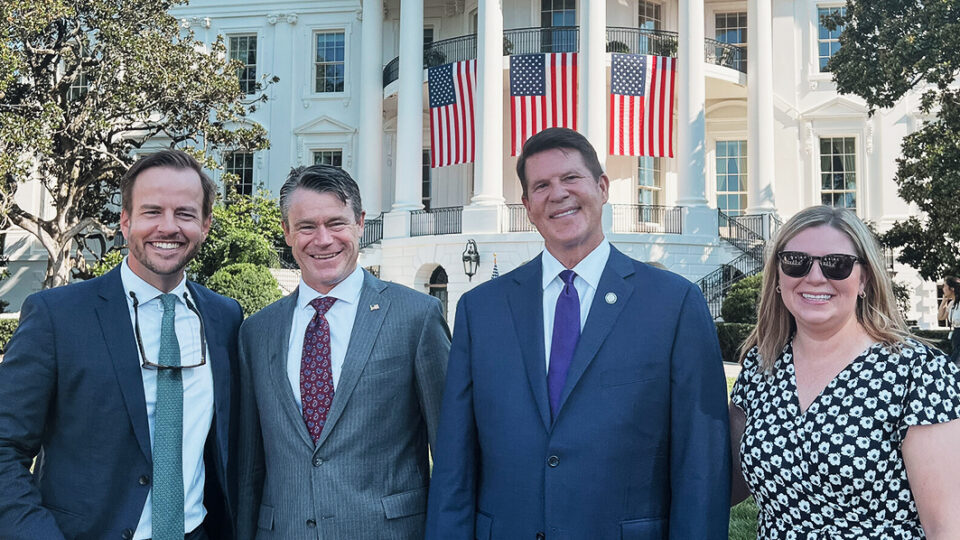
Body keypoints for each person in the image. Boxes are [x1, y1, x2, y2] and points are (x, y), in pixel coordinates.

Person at [426, 127, 731, 539]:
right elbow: (454, 465)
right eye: (541, 186)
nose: (558, 194)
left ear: (602, 188)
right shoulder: (481, 310)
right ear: (528, 206)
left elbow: (701, 466)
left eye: (571, 178)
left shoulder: (674, 304)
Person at [0, 150, 244, 540]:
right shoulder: (57, 317)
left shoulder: (225, 317)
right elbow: (4, 447)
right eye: (152, 212)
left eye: (184, 213)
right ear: (125, 222)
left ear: (206, 224)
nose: (169, 227)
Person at [236, 164, 450, 539]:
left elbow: (450, 451)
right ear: (286, 232)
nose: (322, 239)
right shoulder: (257, 332)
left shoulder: (416, 317)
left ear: (360, 224)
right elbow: (250, 466)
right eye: (306, 226)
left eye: (336, 223)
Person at [729, 205, 960, 538]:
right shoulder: (761, 366)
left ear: (864, 277)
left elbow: (947, 527)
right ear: (778, 276)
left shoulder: (918, 374)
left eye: (836, 264)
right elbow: (727, 484)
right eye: (796, 261)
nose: (815, 276)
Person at [938, 276, 960, 364]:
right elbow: (941, 317)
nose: (943, 289)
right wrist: (943, 302)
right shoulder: (952, 304)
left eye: (944, 286)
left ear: (952, 289)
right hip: (955, 336)